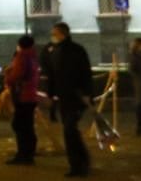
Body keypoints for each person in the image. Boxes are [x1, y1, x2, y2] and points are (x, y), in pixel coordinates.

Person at [42, 23, 93, 178]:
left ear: (62, 33)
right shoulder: (52, 51)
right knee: (71, 130)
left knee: (70, 130)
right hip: (64, 97)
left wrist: (86, 94)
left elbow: (85, 73)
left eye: (55, 33)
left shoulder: (76, 50)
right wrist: (51, 95)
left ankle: (78, 165)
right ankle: (81, 161)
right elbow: (51, 75)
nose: (53, 36)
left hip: (76, 96)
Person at [4, 34, 41, 165]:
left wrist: (8, 75)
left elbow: (17, 75)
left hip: (22, 95)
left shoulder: (22, 56)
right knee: (27, 126)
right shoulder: (33, 56)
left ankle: (23, 154)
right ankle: (28, 153)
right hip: (31, 95)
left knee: (20, 125)